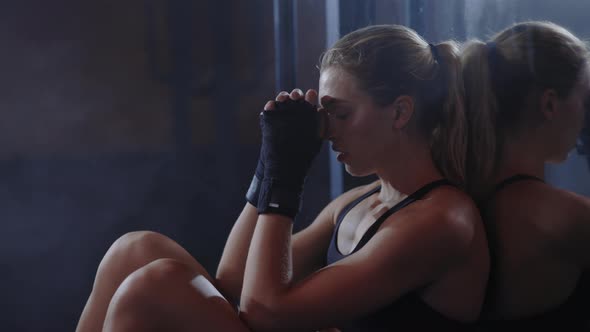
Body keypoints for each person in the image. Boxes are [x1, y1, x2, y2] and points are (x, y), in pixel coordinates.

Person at [77, 24, 489, 332]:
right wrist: (270, 165)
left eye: (340, 115)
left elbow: (265, 311)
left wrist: (286, 181)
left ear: (400, 112)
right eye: (323, 116)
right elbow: (236, 281)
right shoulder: (357, 203)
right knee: (135, 249)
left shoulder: (442, 219)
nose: (325, 131)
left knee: (155, 286)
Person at [461, 21, 590, 329]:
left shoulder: (453, 197)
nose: (586, 116)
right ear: (549, 104)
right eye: (585, 100)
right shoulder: (571, 219)